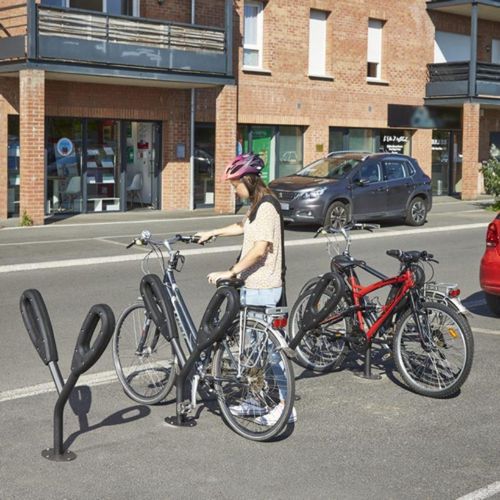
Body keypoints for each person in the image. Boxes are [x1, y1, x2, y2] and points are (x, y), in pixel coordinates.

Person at [195, 153, 296, 425]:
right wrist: (213, 232)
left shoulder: (267, 206)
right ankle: (256, 400)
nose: (234, 190)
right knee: (254, 351)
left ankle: (285, 407)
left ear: (248, 181)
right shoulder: (257, 205)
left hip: (264, 287)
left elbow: (260, 249)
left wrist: (231, 272)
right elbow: (242, 226)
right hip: (253, 287)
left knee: (271, 351)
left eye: (235, 185)